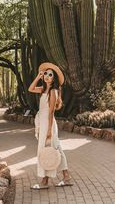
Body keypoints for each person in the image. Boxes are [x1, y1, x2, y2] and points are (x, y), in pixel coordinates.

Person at [28, 62, 73, 190]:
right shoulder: (43, 89)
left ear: (54, 78)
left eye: (50, 74)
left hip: (48, 124)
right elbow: (30, 89)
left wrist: (48, 130)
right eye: (46, 74)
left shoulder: (53, 91)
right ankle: (66, 177)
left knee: (47, 149)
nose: (47, 76)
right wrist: (38, 76)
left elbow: (51, 112)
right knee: (56, 149)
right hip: (43, 123)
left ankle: (45, 181)